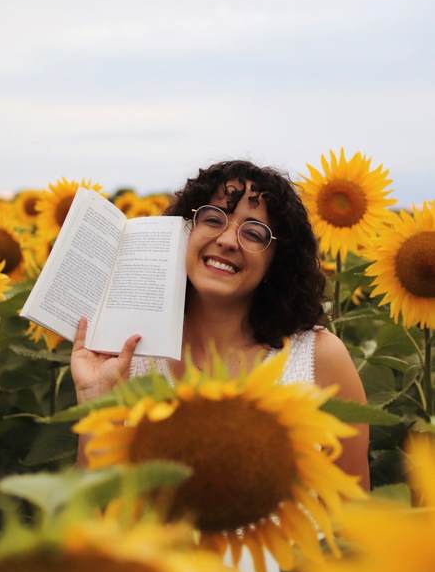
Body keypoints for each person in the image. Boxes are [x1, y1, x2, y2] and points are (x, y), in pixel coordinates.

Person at [71, 160, 370, 490]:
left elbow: (351, 522)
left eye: (253, 233)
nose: (227, 240)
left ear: (277, 259)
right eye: (213, 219)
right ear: (183, 233)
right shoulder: (132, 356)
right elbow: (94, 514)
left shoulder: (320, 359)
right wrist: (97, 403)